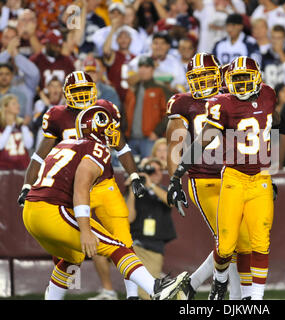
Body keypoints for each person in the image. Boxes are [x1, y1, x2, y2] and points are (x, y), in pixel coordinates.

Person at [22, 105, 189, 300]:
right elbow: (81, 187)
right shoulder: (96, 148)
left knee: (71, 258)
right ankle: (156, 289)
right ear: (98, 129)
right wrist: (85, 230)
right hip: (52, 211)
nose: (114, 132)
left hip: (31, 214)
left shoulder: (63, 145)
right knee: (116, 247)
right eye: (109, 128)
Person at [17, 71, 148, 300]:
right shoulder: (57, 115)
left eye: (85, 90)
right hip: (71, 189)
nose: (81, 95)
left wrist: (134, 175)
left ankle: (132, 295)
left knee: (123, 240)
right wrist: (27, 184)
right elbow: (39, 156)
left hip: (102, 184)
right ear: (68, 95)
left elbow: (122, 146)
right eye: (76, 91)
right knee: (70, 254)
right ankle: (59, 294)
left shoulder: (104, 110)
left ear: (94, 91)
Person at [167, 56, 282, 300]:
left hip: (236, 172)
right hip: (204, 175)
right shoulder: (183, 103)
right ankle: (227, 292)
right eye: (196, 77)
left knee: (244, 242)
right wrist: (174, 177)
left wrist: (264, 173)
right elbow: (175, 144)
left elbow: (263, 132)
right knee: (231, 241)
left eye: (206, 75)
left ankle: (226, 293)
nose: (202, 81)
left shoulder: (235, 94)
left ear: (220, 74)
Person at [126, 157, 176, 300]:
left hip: (153, 247)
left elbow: (170, 201)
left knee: (148, 293)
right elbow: (129, 218)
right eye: (151, 170)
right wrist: (131, 189)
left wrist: (151, 185)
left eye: (159, 170)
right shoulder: (136, 192)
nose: (156, 173)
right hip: (134, 244)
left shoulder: (164, 191)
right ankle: (109, 291)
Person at [124, 56, 170, 161]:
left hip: (151, 139)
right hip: (131, 139)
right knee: (130, 172)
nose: (143, 70)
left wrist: (157, 132)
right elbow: (125, 113)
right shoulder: (132, 89)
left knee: (152, 169)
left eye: (146, 67)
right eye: (141, 67)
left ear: (152, 69)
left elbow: (169, 113)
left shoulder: (161, 88)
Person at [0, 94, 33, 170]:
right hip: (4, 169)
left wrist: (24, 127)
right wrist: (9, 127)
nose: (18, 106)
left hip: (23, 168)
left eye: (17, 103)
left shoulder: (22, 124)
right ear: (5, 107)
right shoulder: (1, 125)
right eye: (14, 103)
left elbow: (29, 145)